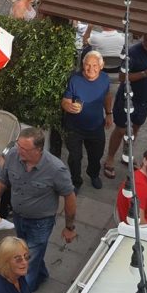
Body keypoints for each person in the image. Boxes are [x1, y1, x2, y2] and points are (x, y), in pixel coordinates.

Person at [0, 128, 76, 291]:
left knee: (25, 263)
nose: (18, 151)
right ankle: (41, 275)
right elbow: (1, 181)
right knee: (30, 253)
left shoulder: (56, 169)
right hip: (19, 218)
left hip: (40, 224)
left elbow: (69, 197)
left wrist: (69, 227)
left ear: (38, 150)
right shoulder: (13, 155)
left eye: (24, 149)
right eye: (18, 145)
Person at [104, 34, 147, 178]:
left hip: (144, 101)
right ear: (145, 39)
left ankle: (126, 154)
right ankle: (109, 159)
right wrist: (145, 73)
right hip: (127, 99)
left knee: (135, 129)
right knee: (121, 130)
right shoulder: (132, 53)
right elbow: (122, 78)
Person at [61, 51, 113, 190]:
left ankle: (93, 174)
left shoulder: (105, 79)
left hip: (96, 127)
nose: (91, 69)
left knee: (96, 155)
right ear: (83, 65)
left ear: (101, 66)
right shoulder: (75, 79)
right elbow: (65, 100)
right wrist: (69, 106)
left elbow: (107, 95)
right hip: (74, 128)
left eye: (95, 65)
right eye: (88, 65)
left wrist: (108, 113)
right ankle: (76, 181)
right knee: (74, 158)